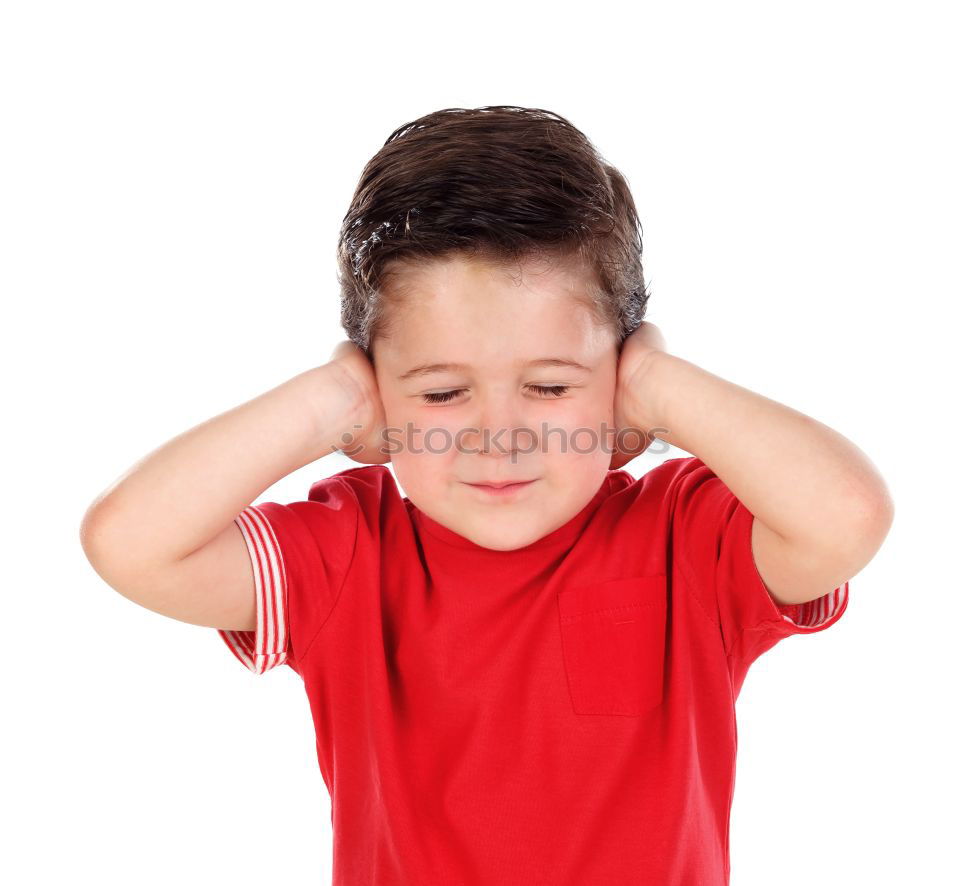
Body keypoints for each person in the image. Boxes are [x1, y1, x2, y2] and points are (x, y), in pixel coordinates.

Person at [79, 105, 893, 885]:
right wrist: (329, 400)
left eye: (547, 386)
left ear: (618, 381)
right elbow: (131, 542)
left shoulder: (686, 535)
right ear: (377, 390)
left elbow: (846, 515)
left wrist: (658, 382)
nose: (496, 438)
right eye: (440, 395)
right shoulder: (346, 552)